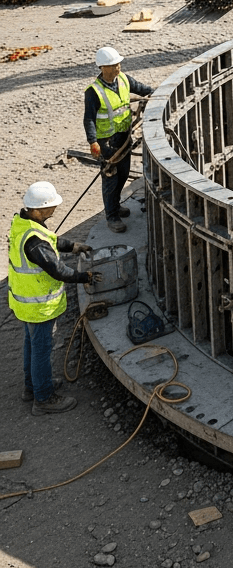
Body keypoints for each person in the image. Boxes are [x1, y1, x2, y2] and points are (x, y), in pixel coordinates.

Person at [8, 181, 97, 415]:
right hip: (38, 307)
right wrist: (84, 277)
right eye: (51, 207)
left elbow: (52, 240)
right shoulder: (34, 242)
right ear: (38, 210)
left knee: (32, 345)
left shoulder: (24, 224)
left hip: (26, 304)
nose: (54, 210)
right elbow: (58, 270)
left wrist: (73, 246)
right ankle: (44, 398)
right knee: (41, 351)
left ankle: (32, 387)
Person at [84, 46, 153, 233]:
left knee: (123, 174)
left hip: (123, 137)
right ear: (102, 67)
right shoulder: (94, 91)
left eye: (118, 63)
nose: (118, 67)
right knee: (110, 179)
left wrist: (157, 93)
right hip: (107, 142)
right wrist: (93, 142)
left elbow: (142, 89)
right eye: (114, 65)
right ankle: (112, 216)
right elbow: (89, 119)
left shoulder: (123, 79)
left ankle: (115, 205)